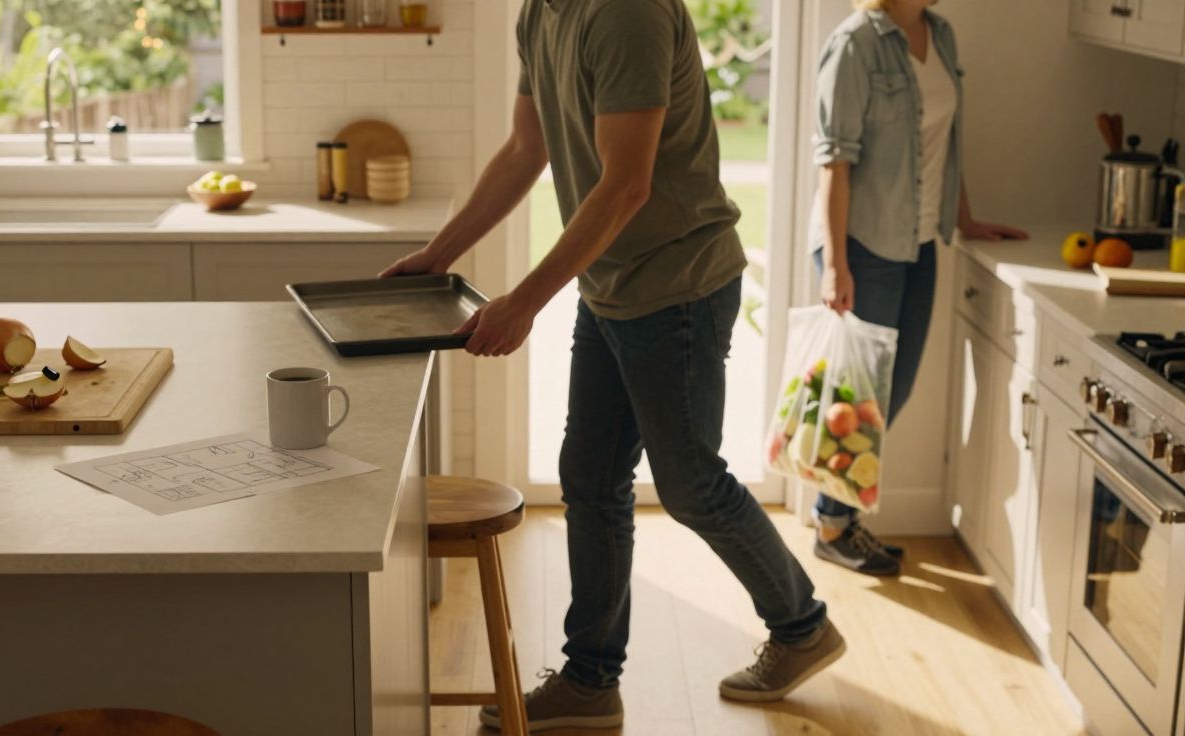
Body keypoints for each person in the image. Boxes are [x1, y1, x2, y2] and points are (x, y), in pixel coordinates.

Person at [381, 0, 843, 729]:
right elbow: (522, 152)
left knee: (690, 484)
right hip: (612, 285)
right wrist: (439, 256)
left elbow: (627, 184)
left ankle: (802, 626)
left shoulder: (625, 11)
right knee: (591, 480)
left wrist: (525, 301)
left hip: (678, 286)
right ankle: (592, 681)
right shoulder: (542, 12)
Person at [810, 0, 1027, 576]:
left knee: (889, 394)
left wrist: (965, 218)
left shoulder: (942, 36)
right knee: (860, 401)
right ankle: (832, 525)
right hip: (861, 243)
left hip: (919, 240)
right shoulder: (855, 44)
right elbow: (834, 161)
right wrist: (835, 265)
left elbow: (943, 142)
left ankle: (838, 517)